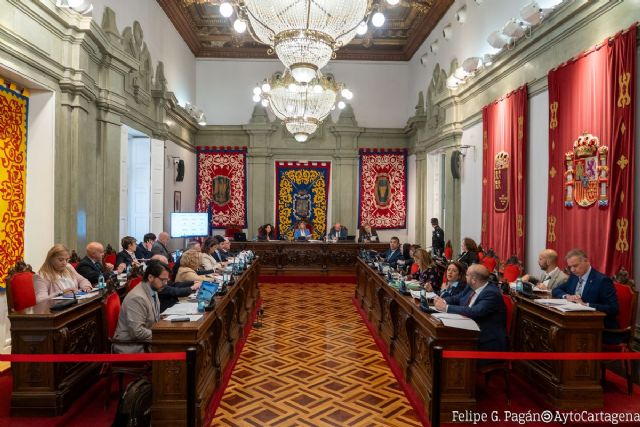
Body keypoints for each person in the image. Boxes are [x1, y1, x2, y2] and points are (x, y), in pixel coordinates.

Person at [434, 264, 507, 359]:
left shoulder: (491, 293)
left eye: (467, 275)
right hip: (469, 330)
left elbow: (475, 312)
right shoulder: (471, 286)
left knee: (445, 345)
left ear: (474, 279)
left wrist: (446, 308)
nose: (465, 277)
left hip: (486, 341)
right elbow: (458, 297)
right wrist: (442, 301)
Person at [552, 249, 619, 343]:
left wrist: (586, 305)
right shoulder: (574, 276)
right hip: (573, 323)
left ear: (586, 261)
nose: (572, 270)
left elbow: (613, 309)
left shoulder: (602, 281)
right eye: (570, 267)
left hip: (598, 329)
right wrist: (567, 296)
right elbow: (556, 290)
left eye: (575, 266)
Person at [112, 260, 170, 353]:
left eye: (167, 280)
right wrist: (162, 335)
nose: (166, 283)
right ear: (150, 277)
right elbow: (137, 332)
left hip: (146, 341)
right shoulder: (137, 298)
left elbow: (151, 317)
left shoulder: (153, 289)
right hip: (133, 347)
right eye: (163, 280)